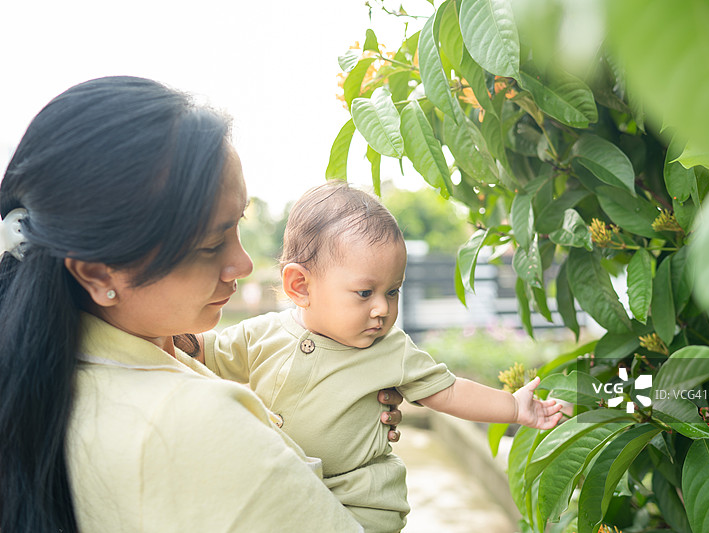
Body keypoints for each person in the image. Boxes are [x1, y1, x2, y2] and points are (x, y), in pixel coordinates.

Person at [0, 76, 404, 533]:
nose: (244, 263)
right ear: (97, 274)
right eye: (212, 245)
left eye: (238, 224)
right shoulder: (189, 423)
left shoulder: (52, 369)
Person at [200, 181, 564, 533]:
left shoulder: (392, 350)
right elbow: (205, 351)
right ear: (300, 286)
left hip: (360, 501)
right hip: (285, 496)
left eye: (393, 291)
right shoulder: (262, 333)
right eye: (364, 292)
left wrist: (514, 408)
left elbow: (449, 392)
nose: (382, 308)